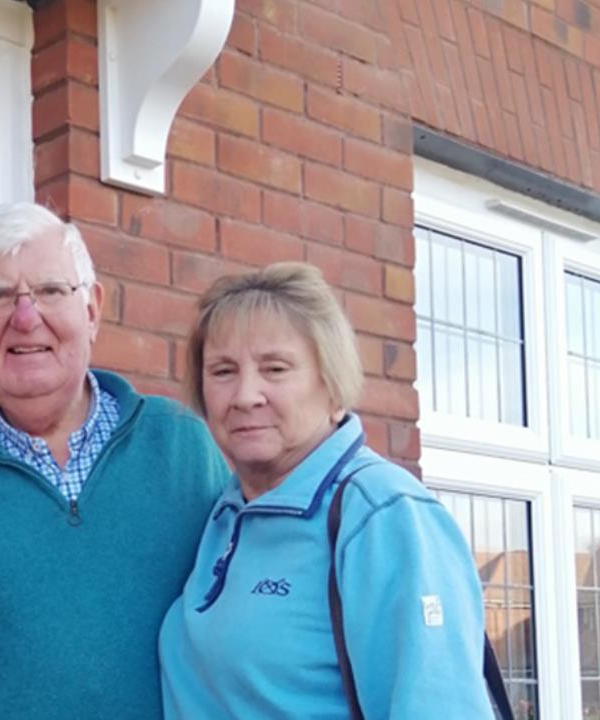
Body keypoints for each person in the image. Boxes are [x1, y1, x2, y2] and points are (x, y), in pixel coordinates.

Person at [0, 203, 231, 719]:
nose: (26, 318)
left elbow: (253, 628)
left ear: (92, 309)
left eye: (51, 291)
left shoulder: (183, 449)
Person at [159, 262, 494, 718]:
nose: (245, 395)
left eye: (275, 369)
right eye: (222, 371)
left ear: (333, 388)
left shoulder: (382, 516)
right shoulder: (226, 512)